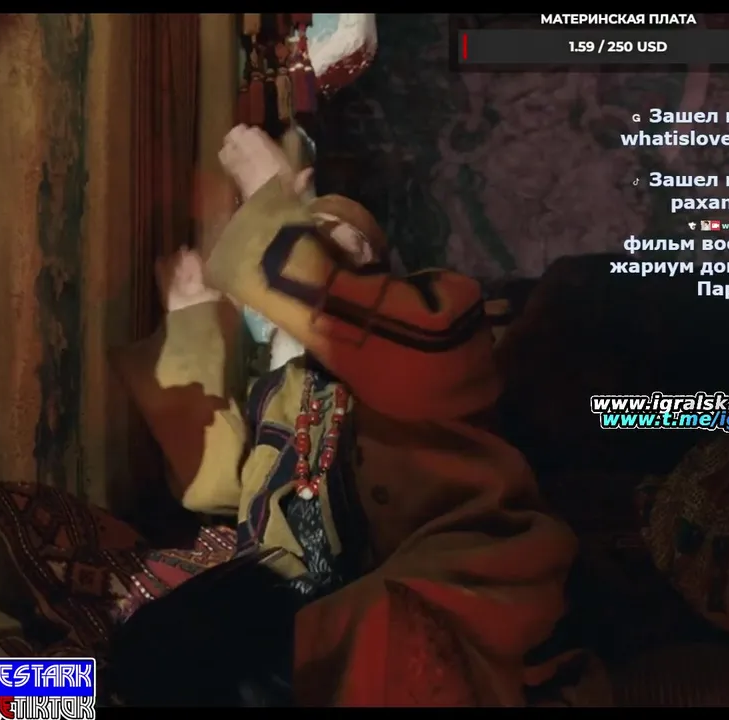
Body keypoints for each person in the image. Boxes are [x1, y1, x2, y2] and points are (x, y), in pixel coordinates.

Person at [109, 124, 577, 707]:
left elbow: (393, 342)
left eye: (339, 237)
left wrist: (271, 204)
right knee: (140, 659)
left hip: (423, 593)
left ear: (379, 264)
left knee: (347, 649)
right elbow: (219, 485)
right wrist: (192, 324)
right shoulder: (282, 388)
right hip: (293, 600)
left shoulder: (440, 324)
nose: (318, 244)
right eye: (310, 231)